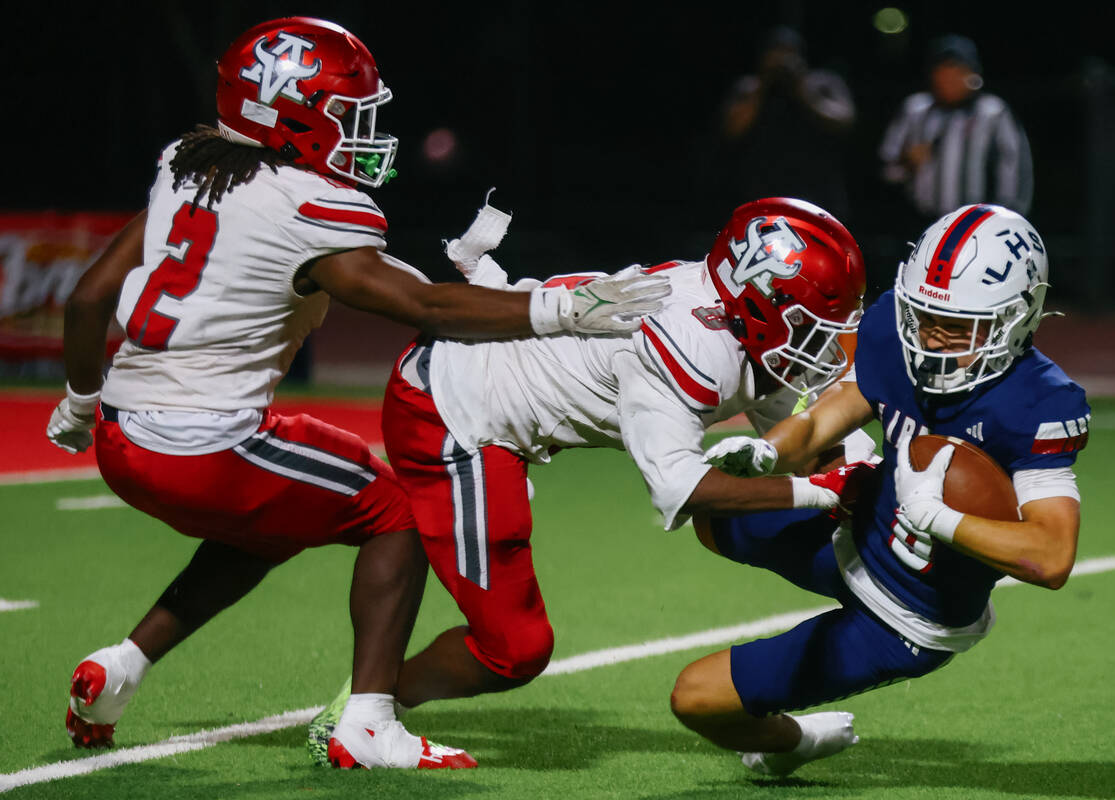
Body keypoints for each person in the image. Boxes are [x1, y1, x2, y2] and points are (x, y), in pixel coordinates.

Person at [44, 16, 668, 770]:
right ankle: (367, 722)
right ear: (288, 115)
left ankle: (122, 666)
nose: (360, 130)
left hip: (120, 435)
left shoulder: (192, 163)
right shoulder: (310, 204)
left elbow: (85, 302)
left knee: (270, 524)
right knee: (395, 508)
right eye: (346, 114)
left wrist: (80, 405)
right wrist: (568, 309)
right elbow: (424, 310)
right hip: (202, 444)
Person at [304, 195, 872, 766]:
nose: (825, 346)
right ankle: (366, 712)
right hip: (451, 411)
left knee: (515, 642)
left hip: (496, 403)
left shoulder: (736, 320)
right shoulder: (692, 342)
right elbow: (684, 491)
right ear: (761, 300)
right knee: (514, 650)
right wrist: (824, 491)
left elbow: (810, 442)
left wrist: (871, 469)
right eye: (810, 324)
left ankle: (367, 704)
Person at [672, 204, 1088, 778]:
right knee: (712, 518)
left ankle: (792, 741)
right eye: (924, 317)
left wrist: (934, 516)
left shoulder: (1041, 402)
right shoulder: (897, 328)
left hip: (907, 616)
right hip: (860, 521)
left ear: (1018, 318)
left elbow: (1051, 556)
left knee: (695, 697)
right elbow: (830, 415)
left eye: (959, 326)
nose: (933, 338)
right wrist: (773, 450)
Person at [879, 35, 1033, 225]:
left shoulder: (993, 113)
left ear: (972, 73)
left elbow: (1015, 170)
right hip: (921, 222)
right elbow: (886, 168)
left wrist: (1008, 221)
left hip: (978, 226)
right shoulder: (915, 110)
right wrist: (906, 162)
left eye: (957, 70)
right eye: (942, 70)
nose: (948, 78)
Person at [708, 26, 856, 222]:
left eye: (788, 54)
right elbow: (731, 131)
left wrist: (800, 87)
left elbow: (843, 122)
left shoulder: (822, 83)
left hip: (819, 198)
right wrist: (764, 84)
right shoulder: (750, 88)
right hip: (758, 200)